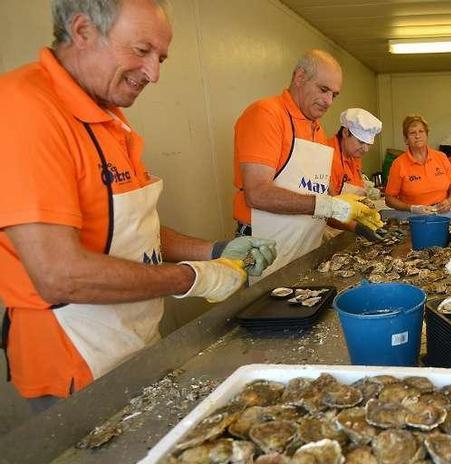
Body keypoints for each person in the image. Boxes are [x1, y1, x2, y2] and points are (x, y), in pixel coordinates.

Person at [0, 0, 277, 401]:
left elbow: (132, 231)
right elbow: (60, 274)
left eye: (160, 57)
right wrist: (193, 277)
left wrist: (215, 251)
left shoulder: (110, 119)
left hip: (132, 339)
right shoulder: (25, 109)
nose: (154, 73)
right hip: (75, 360)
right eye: (141, 51)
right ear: (82, 32)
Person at [233, 50, 382, 280]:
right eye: (323, 90)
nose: (328, 101)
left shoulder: (317, 129)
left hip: (304, 247)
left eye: (334, 94)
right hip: (264, 247)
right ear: (299, 77)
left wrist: (356, 225)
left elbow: (319, 198)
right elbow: (257, 193)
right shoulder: (266, 115)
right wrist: (329, 205)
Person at [326, 108, 384, 243]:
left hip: (346, 229)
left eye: (368, 144)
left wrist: (368, 218)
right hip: (328, 233)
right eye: (361, 142)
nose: (365, 149)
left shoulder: (354, 156)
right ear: (346, 132)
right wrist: (359, 228)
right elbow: (329, 210)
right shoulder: (327, 157)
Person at [385, 114, 451, 214]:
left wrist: (450, 201)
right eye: (412, 133)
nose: (417, 136)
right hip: (414, 218)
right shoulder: (398, 164)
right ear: (406, 139)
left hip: (443, 214)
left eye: (421, 131)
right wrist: (411, 208)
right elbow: (389, 199)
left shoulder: (441, 157)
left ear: (426, 134)